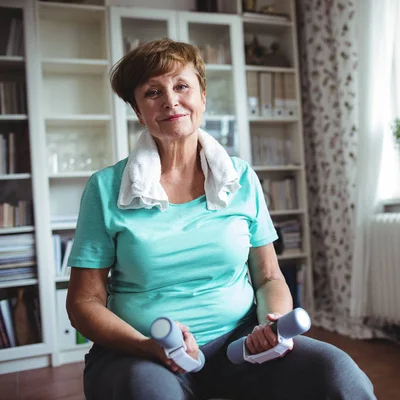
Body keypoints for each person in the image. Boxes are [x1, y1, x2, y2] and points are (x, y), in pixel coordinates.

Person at [66, 38, 376, 400]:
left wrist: (271, 325)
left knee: (338, 374)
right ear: (138, 111)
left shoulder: (241, 179)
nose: (170, 100)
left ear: (202, 98)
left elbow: (269, 277)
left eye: (182, 86)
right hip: (142, 351)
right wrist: (144, 345)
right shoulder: (105, 189)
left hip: (239, 342)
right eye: (153, 92)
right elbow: (84, 303)